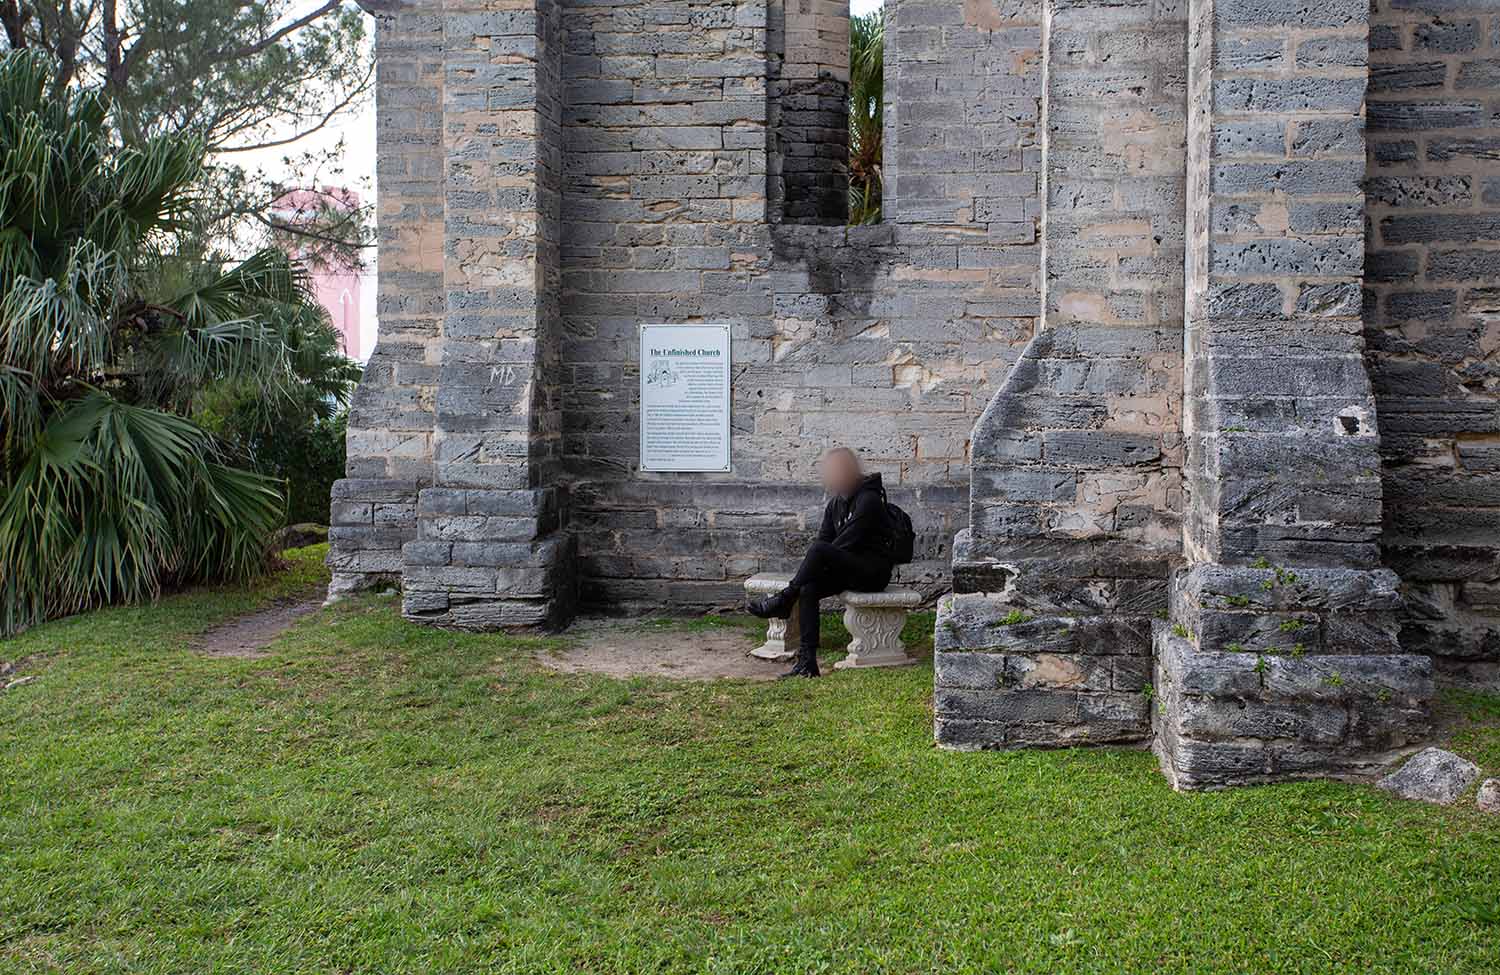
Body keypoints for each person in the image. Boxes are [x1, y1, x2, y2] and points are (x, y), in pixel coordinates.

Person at [748, 447, 895, 678]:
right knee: (809, 586)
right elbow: (824, 540)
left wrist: (822, 559)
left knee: (818, 552)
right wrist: (818, 566)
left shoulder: (869, 500)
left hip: (871, 572)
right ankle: (807, 662)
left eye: (837, 471)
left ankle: (785, 598)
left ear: (849, 470)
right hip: (847, 568)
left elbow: (841, 545)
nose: (833, 476)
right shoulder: (836, 504)